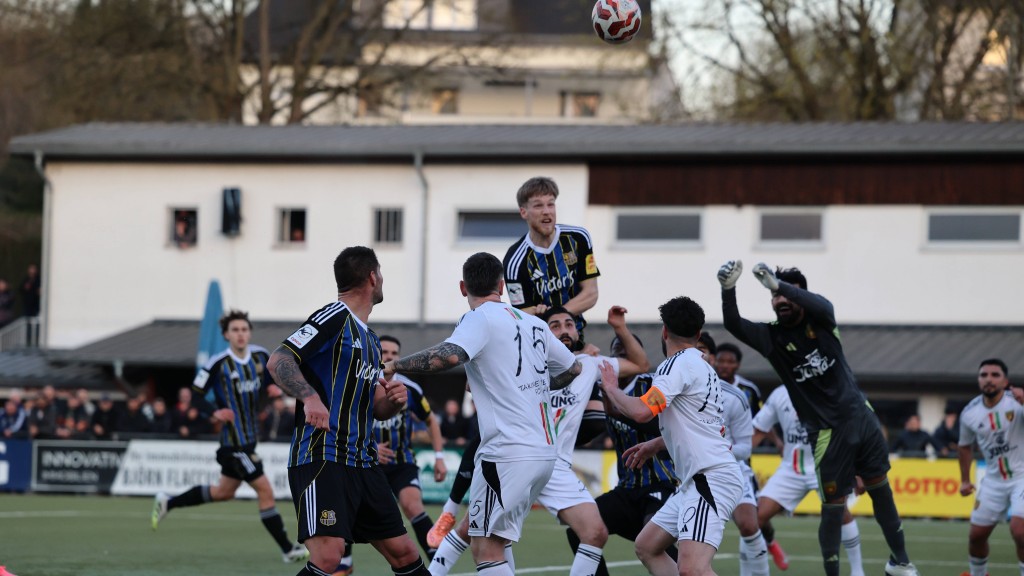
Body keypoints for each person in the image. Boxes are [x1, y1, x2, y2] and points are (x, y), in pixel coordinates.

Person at [383, 251, 581, 576]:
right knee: (497, 542)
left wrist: (393, 365)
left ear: (464, 288)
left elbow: (449, 356)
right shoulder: (534, 323)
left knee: (484, 548)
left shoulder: (478, 318)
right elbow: (571, 369)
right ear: (502, 285)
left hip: (506, 454)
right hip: (544, 452)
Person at [718, 259, 917, 576]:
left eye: (786, 295)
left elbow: (823, 304)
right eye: (774, 297)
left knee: (882, 492)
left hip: (862, 418)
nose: (779, 301)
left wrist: (779, 285)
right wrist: (728, 290)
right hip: (826, 434)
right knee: (834, 511)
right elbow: (734, 324)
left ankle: (901, 561)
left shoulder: (822, 320)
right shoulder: (772, 338)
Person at [426, 305, 649, 576]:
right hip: (518, 455)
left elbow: (641, 364)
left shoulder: (590, 365)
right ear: (540, 332)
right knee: (475, 529)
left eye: (569, 324)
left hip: (555, 465)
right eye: (555, 325)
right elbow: (473, 383)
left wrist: (619, 327)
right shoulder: (526, 363)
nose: (564, 330)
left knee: (595, 532)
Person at [267, 246, 428, 576]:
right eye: (380, 273)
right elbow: (279, 359)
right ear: (372, 277)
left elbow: (373, 410)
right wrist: (310, 397)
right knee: (330, 557)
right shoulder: (334, 317)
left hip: (363, 462)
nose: (382, 279)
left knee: (405, 552)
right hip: (322, 456)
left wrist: (391, 402)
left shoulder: (369, 338)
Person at [599, 296, 743, 576]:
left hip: (709, 478)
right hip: (698, 479)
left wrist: (612, 388)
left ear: (664, 331)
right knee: (648, 546)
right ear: (698, 334)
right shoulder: (702, 366)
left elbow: (642, 412)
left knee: (692, 569)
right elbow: (702, 427)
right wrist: (655, 444)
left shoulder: (676, 366)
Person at [152, 309, 306, 564]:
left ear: (249, 332)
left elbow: (271, 381)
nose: (240, 334)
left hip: (249, 440)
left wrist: (274, 389)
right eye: (235, 330)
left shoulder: (260, 356)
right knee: (265, 490)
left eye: (244, 329)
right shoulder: (217, 363)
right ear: (226, 335)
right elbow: (197, 394)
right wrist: (215, 412)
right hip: (233, 445)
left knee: (223, 492)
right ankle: (288, 550)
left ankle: (168, 501)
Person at [339, 334, 448, 574]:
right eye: (384, 352)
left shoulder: (410, 389)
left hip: (401, 463)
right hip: (365, 461)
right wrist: (372, 447)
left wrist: (439, 457)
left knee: (412, 506)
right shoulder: (361, 384)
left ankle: (439, 561)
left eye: (393, 353)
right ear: (376, 355)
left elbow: (431, 421)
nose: (388, 357)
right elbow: (345, 421)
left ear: (399, 357)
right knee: (349, 510)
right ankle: (344, 562)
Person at [753, 384, 865, 576]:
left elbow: (851, 430)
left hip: (825, 466)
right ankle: (764, 557)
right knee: (756, 519)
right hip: (791, 469)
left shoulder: (828, 390)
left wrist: (859, 469)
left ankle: (858, 571)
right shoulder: (779, 394)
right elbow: (757, 430)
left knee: (841, 513)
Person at [697, 332, 770, 576]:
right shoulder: (683, 387)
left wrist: (721, 450)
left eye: (730, 361)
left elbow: (759, 425)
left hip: (735, 468)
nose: (726, 365)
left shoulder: (745, 392)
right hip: (697, 473)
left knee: (750, 525)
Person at [502, 176, 600, 341]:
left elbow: (591, 293)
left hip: (578, 340)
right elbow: (521, 315)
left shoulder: (579, 238)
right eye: (538, 205)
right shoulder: (514, 261)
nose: (546, 211)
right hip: (539, 345)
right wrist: (557, 318)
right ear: (523, 212)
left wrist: (552, 316)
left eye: (551, 204)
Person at [957, 358, 1024, 576]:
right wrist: (965, 480)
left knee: (1020, 531)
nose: (989, 379)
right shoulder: (969, 413)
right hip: (994, 481)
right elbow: (964, 447)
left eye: (995, 375)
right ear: (978, 380)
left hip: (1022, 477)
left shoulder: (1017, 403)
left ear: (1006, 382)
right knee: (976, 536)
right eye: (984, 375)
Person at [715, 343, 763, 419]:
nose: (725, 366)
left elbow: (759, 418)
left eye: (730, 362)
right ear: (715, 362)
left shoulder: (750, 389)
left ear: (738, 365)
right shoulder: (707, 385)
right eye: (721, 361)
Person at [19, 264, 40, 346]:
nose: (32, 271)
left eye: (33, 269)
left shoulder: (38, 280)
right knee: (27, 324)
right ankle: (27, 340)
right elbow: (21, 289)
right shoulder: (26, 280)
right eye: (31, 269)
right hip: (27, 306)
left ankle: (35, 340)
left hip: (36, 306)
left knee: (35, 324)